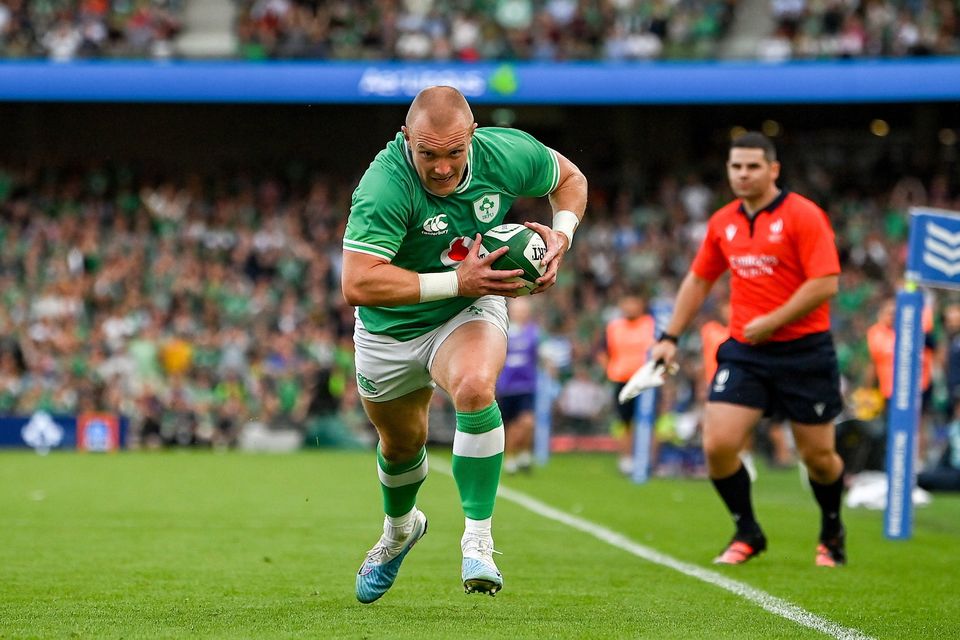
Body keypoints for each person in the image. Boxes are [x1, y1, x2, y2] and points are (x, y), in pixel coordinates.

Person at [341, 85, 587, 603]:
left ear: (473, 137)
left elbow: (569, 179)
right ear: (407, 139)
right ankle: (400, 529)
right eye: (428, 154)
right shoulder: (384, 185)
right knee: (401, 446)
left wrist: (561, 236)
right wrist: (458, 281)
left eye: (454, 153)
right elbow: (359, 283)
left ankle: (478, 541)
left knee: (475, 387)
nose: (442, 168)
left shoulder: (507, 152)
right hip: (391, 328)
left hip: (466, 312)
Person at [650, 131, 847, 567]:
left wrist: (774, 321)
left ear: (773, 169)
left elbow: (826, 283)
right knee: (718, 445)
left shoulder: (803, 215)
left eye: (753, 166)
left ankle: (832, 529)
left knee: (819, 458)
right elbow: (700, 280)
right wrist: (669, 337)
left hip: (804, 351)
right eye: (736, 166)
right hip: (746, 351)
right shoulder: (723, 222)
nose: (743, 174)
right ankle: (748, 531)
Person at [597, 290, 656, 475]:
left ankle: (648, 459)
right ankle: (627, 459)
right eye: (627, 303)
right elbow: (602, 351)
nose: (631, 307)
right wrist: (609, 370)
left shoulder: (650, 324)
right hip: (622, 380)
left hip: (646, 381)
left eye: (634, 303)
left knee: (649, 421)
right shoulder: (614, 326)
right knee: (624, 422)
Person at [496, 297, 540, 474]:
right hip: (507, 386)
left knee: (527, 422)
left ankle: (522, 453)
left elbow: (539, 354)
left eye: (523, 310)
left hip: (526, 386)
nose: (520, 313)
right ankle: (512, 457)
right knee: (510, 425)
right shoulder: (503, 330)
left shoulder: (534, 332)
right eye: (517, 310)